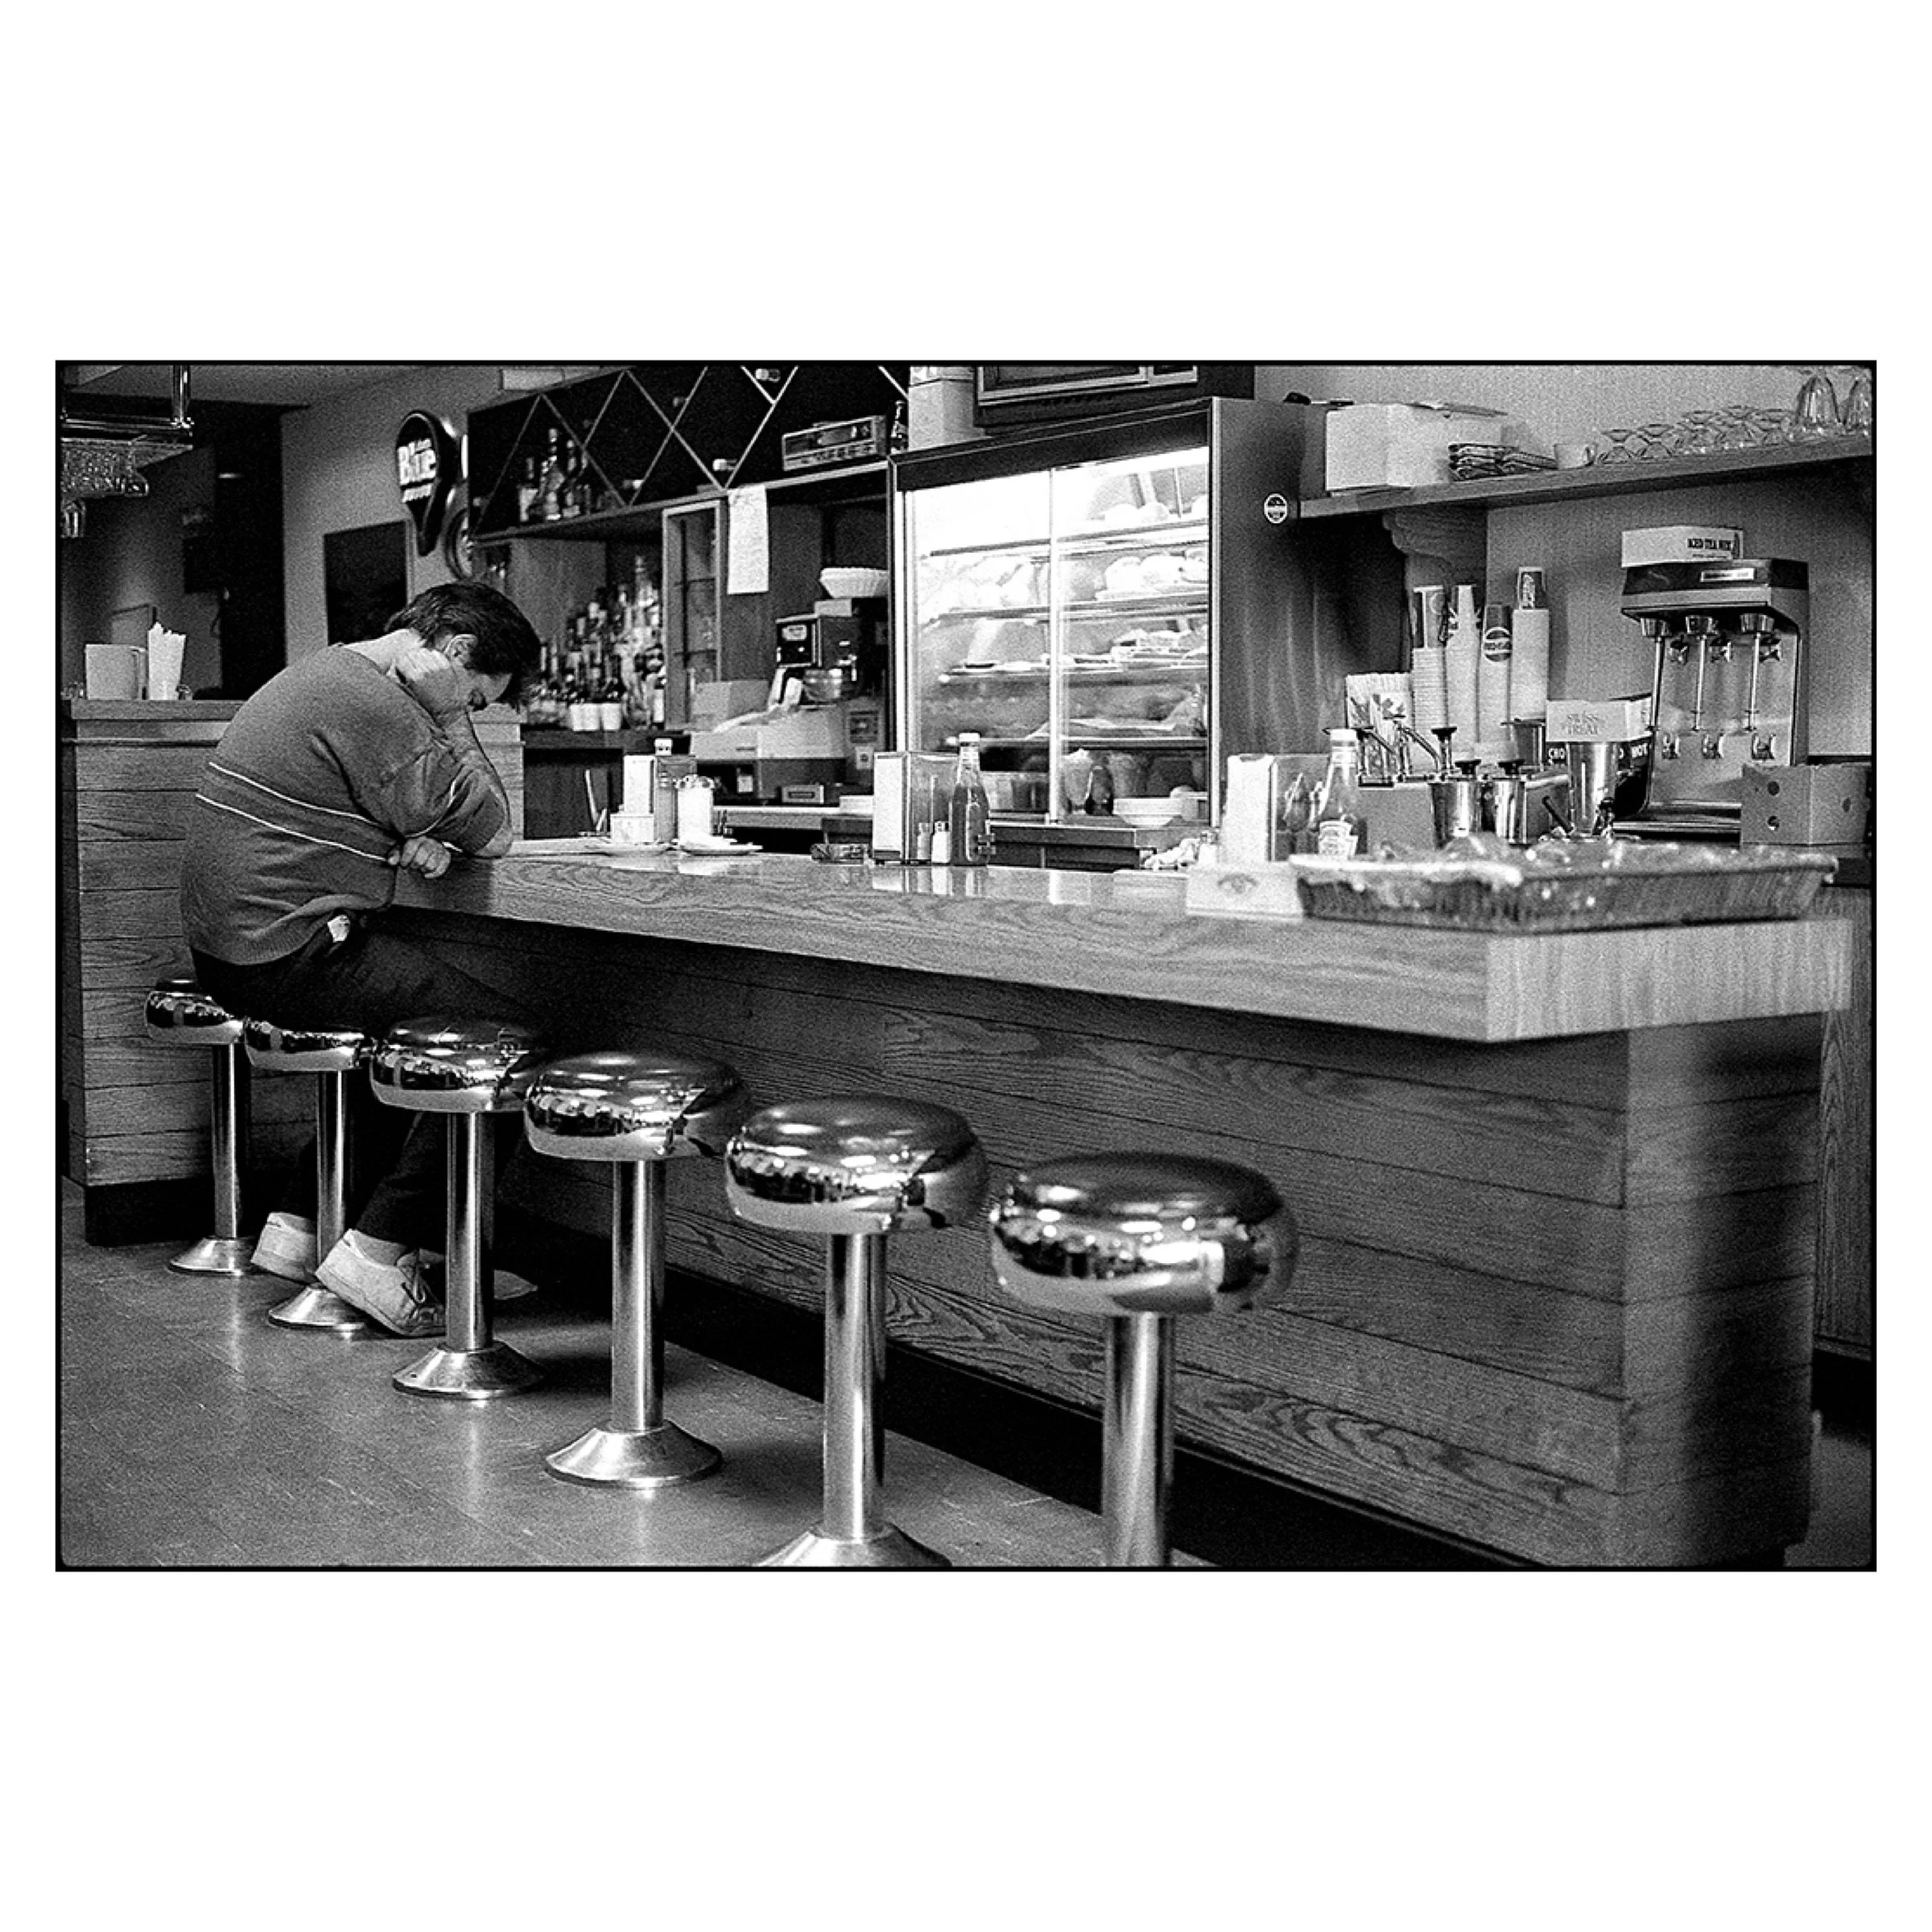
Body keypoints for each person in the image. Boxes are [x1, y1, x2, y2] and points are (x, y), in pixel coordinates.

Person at [180, 582, 546, 1337]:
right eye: (478, 699)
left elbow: (395, 812)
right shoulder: (374, 704)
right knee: (508, 1042)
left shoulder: (325, 675)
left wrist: (407, 837)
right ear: (456, 654)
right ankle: (379, 1252)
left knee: (399, 1033)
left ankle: (303, 1225)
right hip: (284, 952)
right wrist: (446, 716)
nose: (469, 714)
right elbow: (495, 831)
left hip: (241, 950)